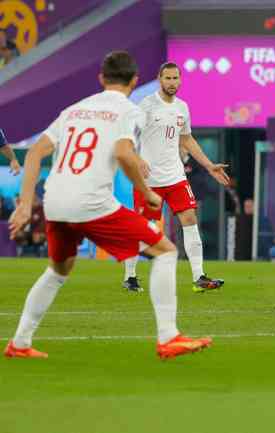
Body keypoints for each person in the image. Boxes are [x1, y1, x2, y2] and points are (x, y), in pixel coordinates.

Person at [4, 51, 211, 359]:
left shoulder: (74, 110)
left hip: (56, 202)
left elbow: (34, 153)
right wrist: (146, 191)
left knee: (59, 270)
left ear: (101, 78)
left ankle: (19, 342)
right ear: (135, 81)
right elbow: (126, 154)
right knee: (166, 251)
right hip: (91, 203)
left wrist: (23, 204)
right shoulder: (128, 110)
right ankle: (169, 337)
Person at [122, 62, 229, 293]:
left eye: (175, 78)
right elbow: (128, 137)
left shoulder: (182, 107)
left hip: (175, 177)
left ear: (180, 81)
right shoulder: (147, 105)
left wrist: (209, 165)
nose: (172, 82)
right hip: (149, 180)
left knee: (190, 219)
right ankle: (130, 276)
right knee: (144, 227)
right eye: (167, 78)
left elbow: (187, 139)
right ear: (160, 79)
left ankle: (199, 276)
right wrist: (137, 159)